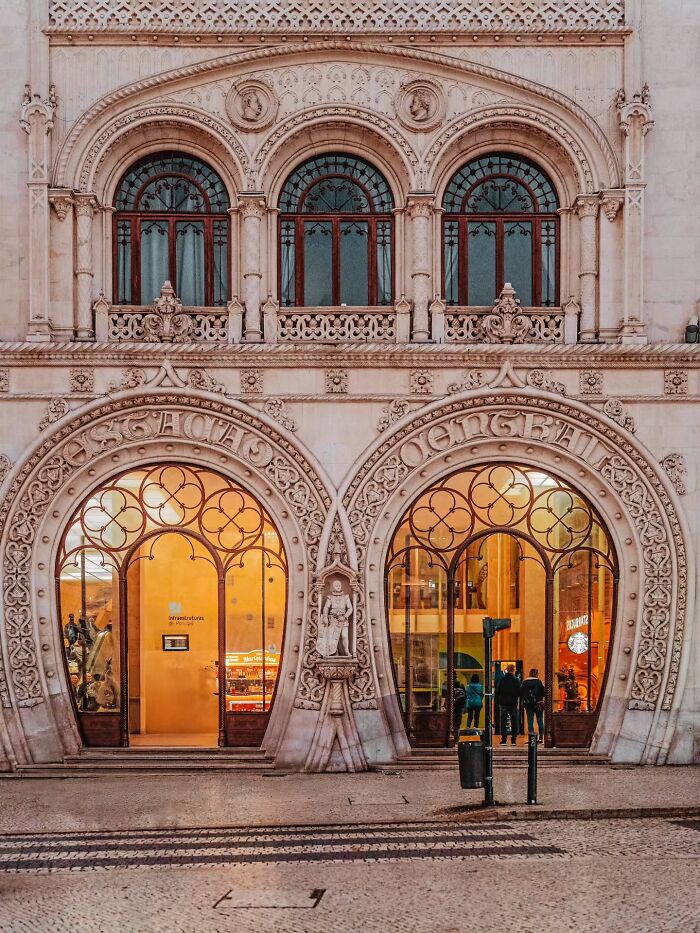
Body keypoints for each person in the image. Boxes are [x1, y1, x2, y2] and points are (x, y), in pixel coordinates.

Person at [495, 664, 520, 745]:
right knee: (514, 721)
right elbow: (519, 691)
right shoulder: (516, 680)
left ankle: (504, 740)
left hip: (503, 703)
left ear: (507, 670)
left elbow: (497, 691)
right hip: (513, 703)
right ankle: (513, 740)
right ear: (513, 670)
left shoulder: (502, 679)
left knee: (503, 721)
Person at [520, 667, 545, 742]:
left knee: (530, 722)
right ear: (536, 674)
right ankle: (541, 738)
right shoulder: (539, 682)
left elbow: (521, 693)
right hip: (538, 704)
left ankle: (532, 739)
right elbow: (543, 692)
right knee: (540, 720)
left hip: (528, 704)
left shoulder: (524, 682)